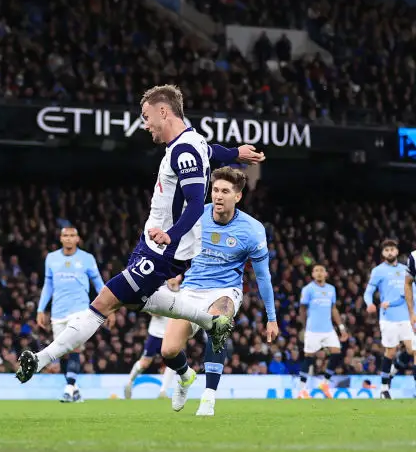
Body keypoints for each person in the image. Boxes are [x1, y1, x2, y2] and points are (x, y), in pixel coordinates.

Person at [16, 85, 266, 387]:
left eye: (147, 117)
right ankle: (209, 326)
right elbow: (211, 152)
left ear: (164, 111)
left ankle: (41, 359)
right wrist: (235, 153)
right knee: (139, 300)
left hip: (164, 251)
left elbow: (197, 203)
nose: (145, 124)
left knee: (104, 302)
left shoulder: (185, 151)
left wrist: (171, 237)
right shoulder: (193, 141)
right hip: (152, 245)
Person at [158, 167, 277, 416]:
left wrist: (271, 317)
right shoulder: (196, 216)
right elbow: (175, 245)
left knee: (220, 320)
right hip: (191, 289)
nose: (218, 196)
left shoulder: (252, 230)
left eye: (225, 191)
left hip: (225, 290)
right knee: (168, 351)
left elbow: (263, 275)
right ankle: (185, 376)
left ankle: (209, 396)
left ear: (238, 196)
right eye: (215, 190)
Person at [36, 226, 105, 402]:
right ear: (60, 239)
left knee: (74, 347)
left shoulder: (87, 259)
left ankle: (68, 388)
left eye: (72, 235)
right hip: (58, 313)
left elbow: (98, 282)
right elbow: (48, 285)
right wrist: (40, 309)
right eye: (65, 235)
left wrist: (108, 306)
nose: (68, 238)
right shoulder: (51, 258)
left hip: (80, 311)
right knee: (62, 351)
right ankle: (75, 389)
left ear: (77, 239)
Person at [364, 240, 413, 398]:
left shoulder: (406, 269)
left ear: (397, 252)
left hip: (407, 317)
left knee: (413, 349)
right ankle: (384, 388)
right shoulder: (378, 271)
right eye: (387, 250)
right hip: (388, 318)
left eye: (392, 249)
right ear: (383, 253)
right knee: (390, 352)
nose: (390, 252)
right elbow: (368, 291)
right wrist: (369, 303)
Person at [297, 265, 348, 399]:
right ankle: (302, 390)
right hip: (313, 329)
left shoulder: (331, 289)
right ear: (313, 274)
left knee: (337, 353)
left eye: (321, 271)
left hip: (328, 329)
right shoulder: (308, 289)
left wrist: (341, 328)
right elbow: (302, 309)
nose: (319, 273)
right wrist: (305, 326)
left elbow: (334, 309)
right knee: (309, 357)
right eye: (316, 271)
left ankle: (325, 383)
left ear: (326, 274)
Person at [124, 276, 180, 400]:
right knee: (144, 363)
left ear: (180, 277)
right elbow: (150, 308)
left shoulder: (183, 293)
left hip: (170, 334)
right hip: (156, 333)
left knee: (172, 363)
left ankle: (163, 392)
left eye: (176, 276)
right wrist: (156, 311)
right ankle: (129, 382)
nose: (173, 278)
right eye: (171, 276)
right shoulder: (160, 290)